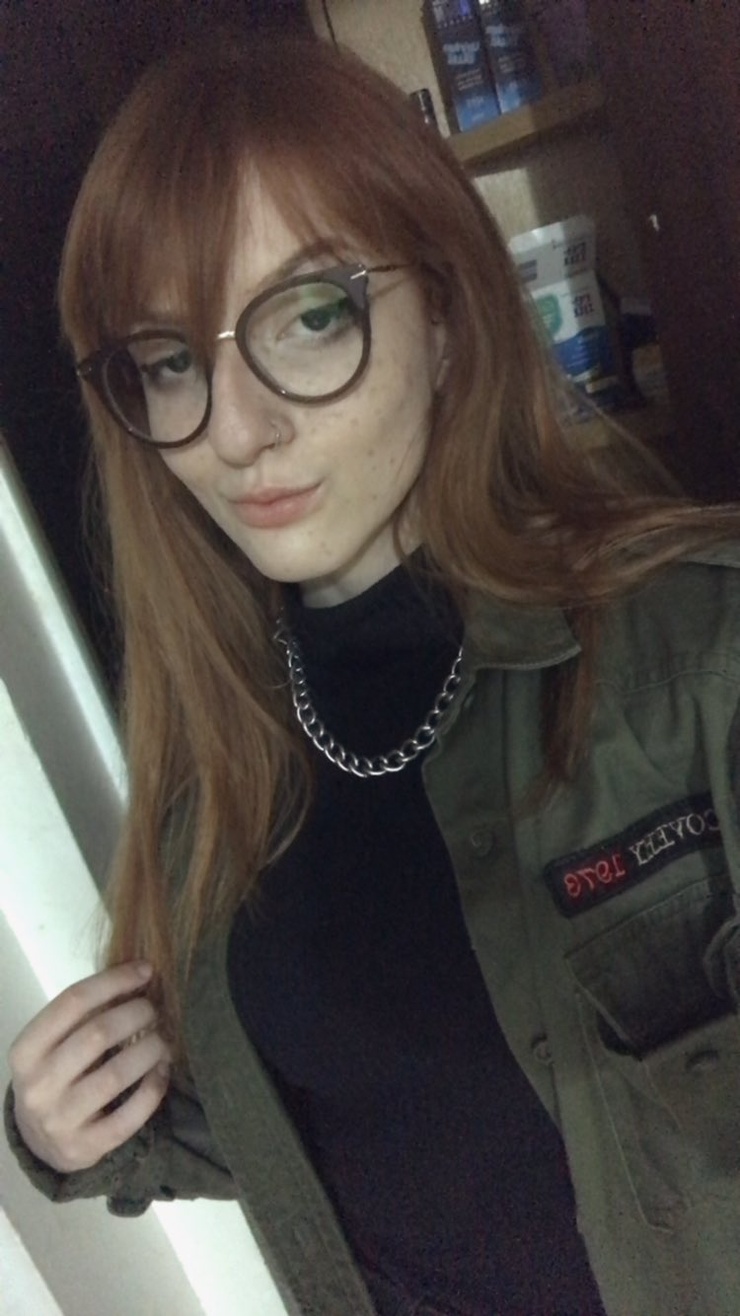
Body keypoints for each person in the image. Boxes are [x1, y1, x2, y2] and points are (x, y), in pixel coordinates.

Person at [5, 32, 740, 1316]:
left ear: (444, 314)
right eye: (171, 360)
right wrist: (69, 1130)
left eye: (309, 316)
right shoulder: (215, 782)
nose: (238, 429)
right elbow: (347, 1124)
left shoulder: (695, 653)